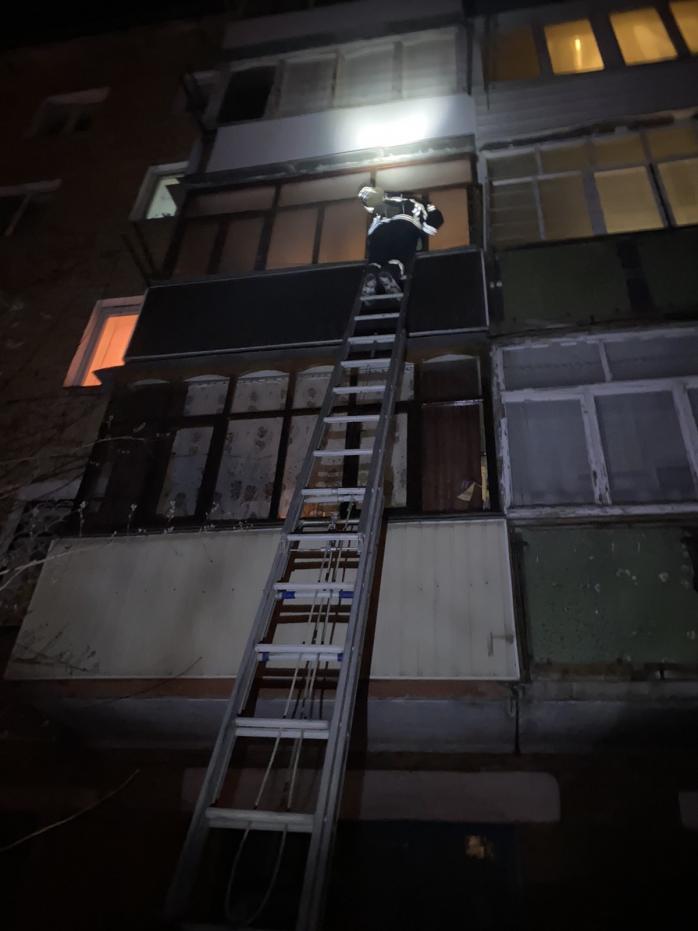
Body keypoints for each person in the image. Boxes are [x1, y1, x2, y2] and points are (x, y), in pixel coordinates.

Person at [358, 185, 444, 296]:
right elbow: (437, 217)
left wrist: (372, 238)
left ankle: (372, 271)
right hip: (407, 226)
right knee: (401, 253)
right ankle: (391, 271)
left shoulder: (384, 201)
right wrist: (426, 229)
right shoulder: (422, 203)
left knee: (377, 254)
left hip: (382, 228)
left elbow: (373, 228)